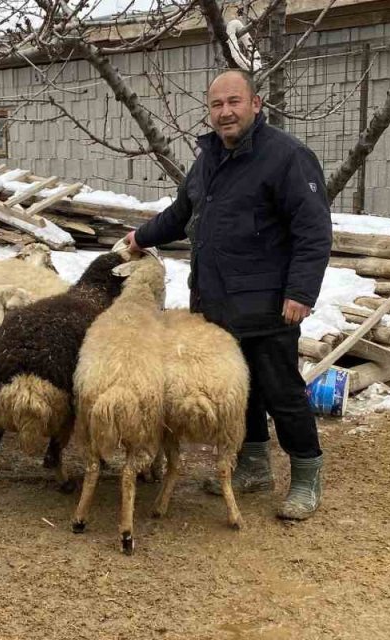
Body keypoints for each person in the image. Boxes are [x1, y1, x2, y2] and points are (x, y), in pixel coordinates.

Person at [125, 69, 332, 520]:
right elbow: (181, 213)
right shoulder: (209, 159)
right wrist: (140, 237)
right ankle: (253, 466)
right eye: (217, 105)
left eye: (234, 102)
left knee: (281, 390)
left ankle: (306, 475)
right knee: (239, 392)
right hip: (216, 303)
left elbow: (313, 230)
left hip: (268, 304)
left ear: (255, 104)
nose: (225, 112)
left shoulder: (287, 157)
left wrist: (300, 291)